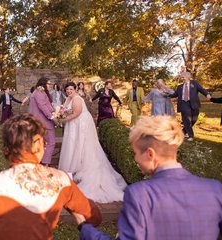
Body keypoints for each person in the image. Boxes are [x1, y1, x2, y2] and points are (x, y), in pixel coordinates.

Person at [0, 114, 102, 240]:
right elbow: (93, 216)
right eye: (43, 142)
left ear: (7, 148)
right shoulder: (61, 180)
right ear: (37, 146)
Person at [78, 115, 222, 240]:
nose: (135, 158)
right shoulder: (215, 189)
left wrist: (84, 227)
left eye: (136, 153)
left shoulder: (139, 194)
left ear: (150, 154)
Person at [58, 82, 127, 203]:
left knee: (82, 145)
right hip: (74, 123)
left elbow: (76, 113)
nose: (68, 91)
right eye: (67, 89)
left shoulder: (77, 98)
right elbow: (66, 110)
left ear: (74, 89)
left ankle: (81, 168)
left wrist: (62, 120)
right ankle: (73, 169)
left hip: (81, 123)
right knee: (74, 145)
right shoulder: (68, 99)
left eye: (70, 89)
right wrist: (60, 114)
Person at [170, 72, 211, 141]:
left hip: (194, 104)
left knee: (194, 119)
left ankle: (182, 132)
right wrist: (167, 95)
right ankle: (190, 135)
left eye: (183, 76)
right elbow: (175, 94)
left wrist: (207, 94)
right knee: (187, 120)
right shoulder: (180, 87)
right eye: (181, 76)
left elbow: (202, 89)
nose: (182, 77)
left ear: (188, 76)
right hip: (183, 104)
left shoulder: (194, 83)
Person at [29, 77, 56, 166]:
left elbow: (47, 106)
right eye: (49, 84)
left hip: (38, 123)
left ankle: (39, 162)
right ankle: (44, 163)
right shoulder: (39, 92)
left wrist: (57, 112)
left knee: (39, 143)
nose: (50, 86)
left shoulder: (40, 92)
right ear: (43, 84)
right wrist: (52, 117)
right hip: (43, 123)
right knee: (51, 142)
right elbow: (43, 106)